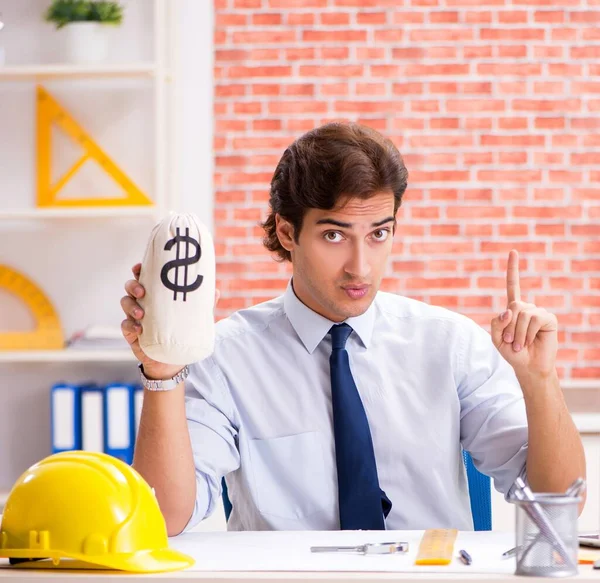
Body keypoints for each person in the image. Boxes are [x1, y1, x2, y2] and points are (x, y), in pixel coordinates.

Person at [121, 122, 586, 536]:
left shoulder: (451, 344)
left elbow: (556, 506)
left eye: (378, 234)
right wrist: (162, 373)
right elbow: (163, 519)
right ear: (287, 233)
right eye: (334, 235)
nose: (360, 267)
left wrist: (540, 381)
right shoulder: (224, 355)